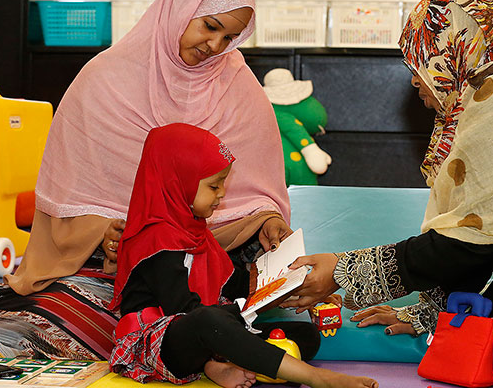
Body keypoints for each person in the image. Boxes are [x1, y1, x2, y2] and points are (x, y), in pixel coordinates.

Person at [0, 0, 292, 360]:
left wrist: (268, 219)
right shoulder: (108, 80)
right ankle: (197, 330)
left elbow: (255, 193)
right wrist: (112, 232)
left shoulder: (238, 86)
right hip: (115, 264)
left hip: (212, 253)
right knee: (65, 309)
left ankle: (196, 328)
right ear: (181, 4)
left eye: (231, 37)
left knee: (271, 288)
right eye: (210, 26)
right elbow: (70, 200)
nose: (215, 47)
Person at [281, 0, 493, 377]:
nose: (416, 82)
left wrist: (344, 271)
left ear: (459, 47)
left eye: (425, 62)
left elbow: (469, 244)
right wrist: (434, 311)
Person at [108, 123, 378, 388]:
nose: (222, 194)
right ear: (178, 183)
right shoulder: (156, 239)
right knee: (210, 322)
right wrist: (246, 310)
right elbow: (185, 311)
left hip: (209, 326)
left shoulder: (193, 228)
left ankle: (231, 363)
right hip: (157, 340)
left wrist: (288, 288)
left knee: (304, 336)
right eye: (214, 187)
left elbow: (233, 283)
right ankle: (316, 378)